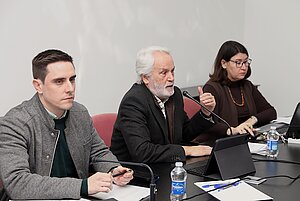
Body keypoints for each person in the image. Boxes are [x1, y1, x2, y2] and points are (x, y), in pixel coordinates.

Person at [0, 49, 133, 200]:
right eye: (59, 81)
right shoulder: (15, 123)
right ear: (38, 86)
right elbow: (18, 184)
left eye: (72, 79)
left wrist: (113, 169)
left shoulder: (80, 112)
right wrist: (82, 186)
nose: (70, 88)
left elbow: (98, 152)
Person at [110, 46, 216, 163]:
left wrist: (205, 113)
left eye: (172, 71)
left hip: (166, 166)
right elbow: (142, 152)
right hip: (134, 173)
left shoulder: (174, 95)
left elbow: (184, 134)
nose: (171, 78)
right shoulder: (134, 101)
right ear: (145, 78)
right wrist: (187, 151)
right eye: (163, 73)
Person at [194, 40, 277, 143]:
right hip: (226, 143)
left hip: (249, 140)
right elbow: (211, 124)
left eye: (246, 62)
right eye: (238, 63)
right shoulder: (212, 88)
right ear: (224, 63)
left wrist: (251, 121)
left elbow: (271, 112)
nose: (244, 67)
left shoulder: (247, 85)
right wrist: (234, 130)